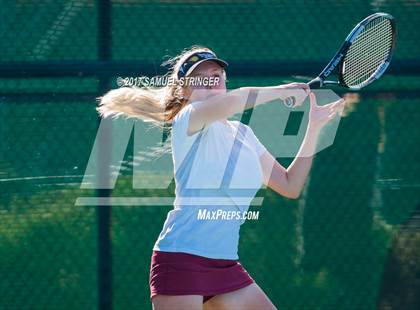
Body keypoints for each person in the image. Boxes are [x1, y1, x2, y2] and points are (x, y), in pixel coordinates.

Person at [97, 46, 345, 310]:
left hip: (225, 264)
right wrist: (282, 91)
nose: (210, 80)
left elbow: (289, 185)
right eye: (200, 77)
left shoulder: (244, 135)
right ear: (185, 91)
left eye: (216, 74)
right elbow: (236, 101)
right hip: (181, 259)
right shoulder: (188, 119)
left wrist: (314, 128)